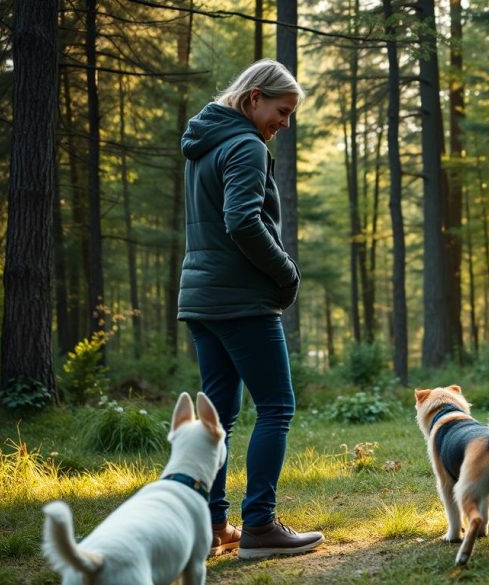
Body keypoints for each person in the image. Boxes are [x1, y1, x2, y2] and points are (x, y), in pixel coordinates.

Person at [178, 59, 324, 559]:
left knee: (220, 415)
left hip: (201, 296)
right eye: (281, 112)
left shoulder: (203, 144)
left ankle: (213, 524)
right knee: (277, 408)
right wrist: (285, 271)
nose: (284, 124)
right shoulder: (243, 144)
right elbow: (241, 221)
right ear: (254, 96)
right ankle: (260, 524)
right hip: (240, 298)